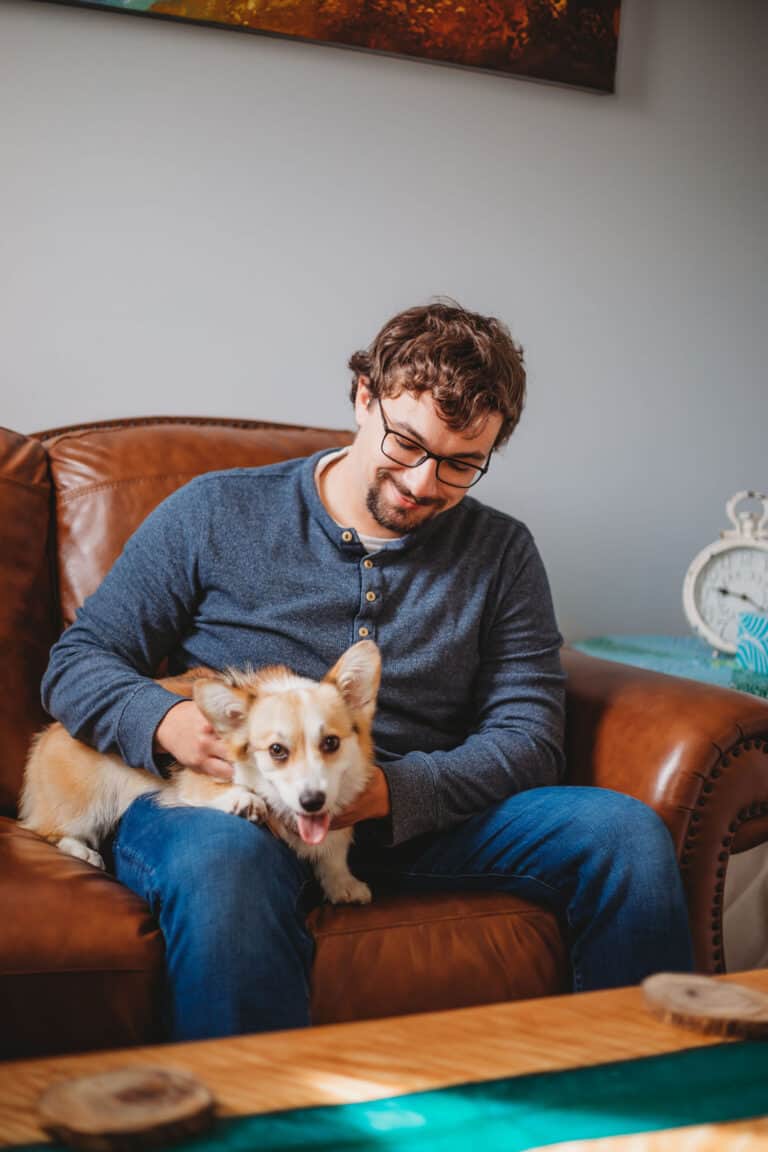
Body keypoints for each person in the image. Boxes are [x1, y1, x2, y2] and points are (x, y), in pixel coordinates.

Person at [41, 301, 693, 1041]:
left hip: (424, 817)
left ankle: (653, 1104)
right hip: (230, 808)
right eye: (406, 443)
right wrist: (170, 723)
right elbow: (78, 662)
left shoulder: (503, 554)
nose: (422, 482)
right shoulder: (215, 512)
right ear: (363, 398)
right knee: (226, 864)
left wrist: (389, 793)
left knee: (626, 834)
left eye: (459, 464)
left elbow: (530, 737)